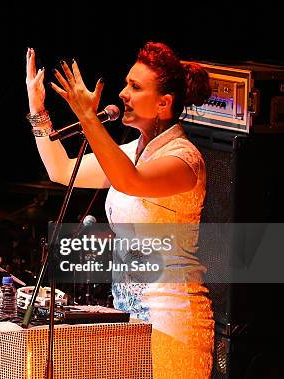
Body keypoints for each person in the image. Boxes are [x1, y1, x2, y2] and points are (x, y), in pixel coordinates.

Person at [25, 42, 214, 378]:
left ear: (163, 103)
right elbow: (60, 169)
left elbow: (130, 181)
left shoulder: (185, 160)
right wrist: (37, 108)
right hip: (127, 317)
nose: (123, 93)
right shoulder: (132, 150)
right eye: (127, 83)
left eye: (136, 87)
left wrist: (87, 117)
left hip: (170, 323)